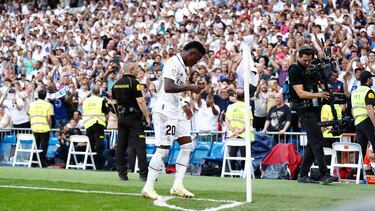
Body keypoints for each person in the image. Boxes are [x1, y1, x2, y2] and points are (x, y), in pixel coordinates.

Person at [142, 41, 206, 200]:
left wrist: (184, 104)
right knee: (163, 149)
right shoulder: (173, 63)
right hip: (165, 112)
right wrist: (190, 87)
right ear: (191, 53)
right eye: (196, 59)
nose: (195, 62)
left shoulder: (183, 67)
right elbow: (168, 87)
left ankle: (177, 185)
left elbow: (176, 93)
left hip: (176, 111)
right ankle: (148, 187)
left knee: (187, 146)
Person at [289, 46, 337, 184]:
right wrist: (320, 94)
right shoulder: (295, 69)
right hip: (304, 109)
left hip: (315, 108)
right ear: (299, 57)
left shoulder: (312, 66)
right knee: (317, 140)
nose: (307, 63)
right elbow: (301, 93)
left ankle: (303, 174)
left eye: (310, 60)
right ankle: (324, 173)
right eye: (305, 60)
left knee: (312, 142)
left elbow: (320, 82)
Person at [112, 62, 150, 181]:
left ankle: (122, 174)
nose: (138, 71)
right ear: (131, 69)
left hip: (121, 118)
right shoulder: (134, 82)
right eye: (137, 69)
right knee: (140, 145)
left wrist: (119, 115)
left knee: (121, 145)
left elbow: (113, 104)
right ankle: (143, 174)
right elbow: (141, 101)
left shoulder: (116, 84)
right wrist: (147, 116)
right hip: (133, 118)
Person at [225, 89, 254, 171]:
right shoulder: (248, 107)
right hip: (244, 135)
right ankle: (243, 172)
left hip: (233, 135)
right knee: (244, 156)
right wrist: (240, 131)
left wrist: (233, 130)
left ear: (236, 97)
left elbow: (226, 120)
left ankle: (232, 173)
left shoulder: (230, 107)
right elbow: (249, 121)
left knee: (232, 155)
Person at [82, 85, 110, 170]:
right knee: (99, 145)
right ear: (99, 92)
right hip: (99, 124)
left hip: (88, 124)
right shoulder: (102, 100)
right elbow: (107, 113)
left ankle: (89, 164)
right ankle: (98, 165)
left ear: (92, 91)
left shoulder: (85, 100)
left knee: (90, 144)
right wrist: (106, 121)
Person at [351, 71, 375, 166]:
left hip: (358, 121)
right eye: (371, 78)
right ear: (368, 79)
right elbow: (369, 108)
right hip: (367, 120)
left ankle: (357, 172)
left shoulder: (354, 92)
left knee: (360, 149)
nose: (372, 80)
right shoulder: (369, 91)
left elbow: (353, 108)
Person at [28, 88, 53, 167]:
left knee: (35, 145)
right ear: (45, 96)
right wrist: (50, 127)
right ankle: (42, 163)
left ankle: (33, 161)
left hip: (35, 127)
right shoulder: (48, 105)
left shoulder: (32, 104)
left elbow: (29, 114)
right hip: (45, 128)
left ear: (38, 96)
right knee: (43, 146)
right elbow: (49, 118)